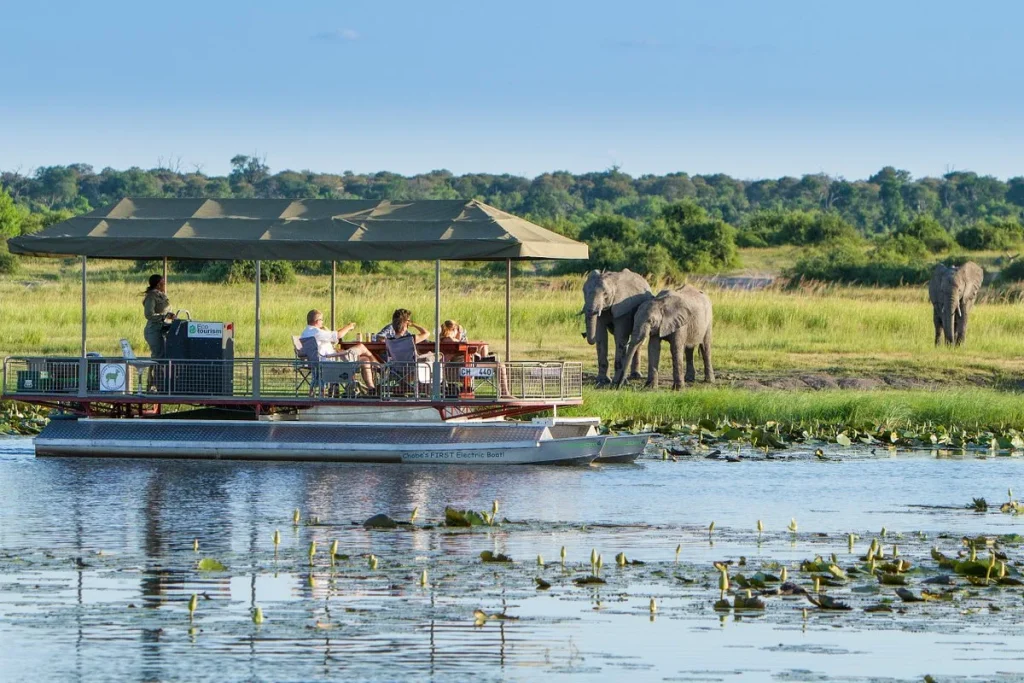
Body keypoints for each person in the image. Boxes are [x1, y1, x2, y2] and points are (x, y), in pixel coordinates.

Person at [300, 309, 377, 391]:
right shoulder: (316, 331)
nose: (322, 322)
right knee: (362, 348)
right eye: (322, 320)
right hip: (331, 362)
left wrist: (328, 331)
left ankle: (371, 388)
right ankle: (380, 368)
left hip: (324, 362)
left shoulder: (305, 333)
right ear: (317, 321)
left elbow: (332, 340)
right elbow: (338, 335)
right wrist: (349, 326)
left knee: (365, 360)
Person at [142, 274, 175, 358]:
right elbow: (149, 314)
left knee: (164, 354)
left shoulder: (162, 295)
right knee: (157, 354)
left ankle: (160, 371)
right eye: (163, 283)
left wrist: (172, 317)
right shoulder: (151, 296)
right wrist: (164, 317)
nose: (165, 285)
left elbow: (166, 310)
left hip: (164, 329)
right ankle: (154, 371)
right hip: (154, 330)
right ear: (158, 285)